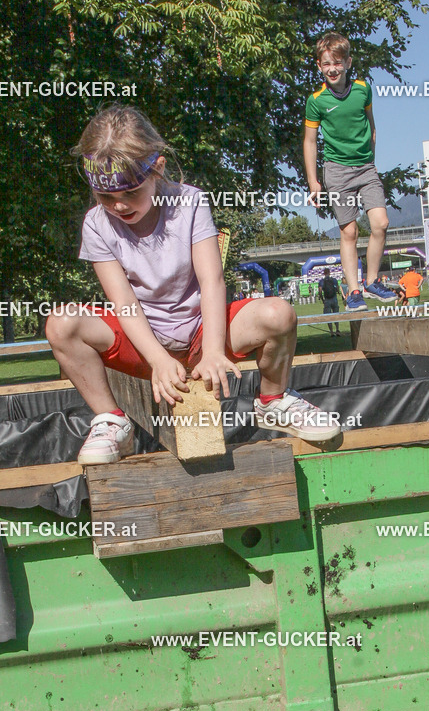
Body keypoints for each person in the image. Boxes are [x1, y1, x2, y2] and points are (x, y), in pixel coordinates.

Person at [46, 106, 339, 463]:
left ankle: (273, 401)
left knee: (279, 313)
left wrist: (214, 350)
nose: (119, 205)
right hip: (143, 343)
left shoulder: (189, 202)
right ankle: (111, 421)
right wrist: (157, 358)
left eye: (131, 193)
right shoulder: (96, 224)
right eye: (106, 197)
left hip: (203, 333)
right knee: (61, 323)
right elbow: (123, 302)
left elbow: (211, 280)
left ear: (158, 168)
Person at [303, 32, 396, 313]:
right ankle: (354, 292)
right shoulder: (316, 100)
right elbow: (309, 141)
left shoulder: (362, 90)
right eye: (326, 63)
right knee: (350, 231)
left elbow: (372, 126)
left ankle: (371, 282)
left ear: (347, 63)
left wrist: (372, 161)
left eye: (337, 62)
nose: (332, 68)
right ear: (319, 66)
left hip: (366, 168)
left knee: (380, 223)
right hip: (337, 172)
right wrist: (313, 182)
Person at [318, 272, 343, 336]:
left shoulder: (322, 281)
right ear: (329, 273)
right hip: (334, 298)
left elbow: (320, 291)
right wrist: (337, 292)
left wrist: (322, 299)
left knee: (328, 316)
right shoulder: (334, 280)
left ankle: (331, 331)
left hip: (327, 299)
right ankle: (337, 329)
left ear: (324, 274)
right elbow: (337, 288)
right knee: (336, 314)